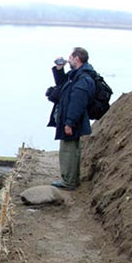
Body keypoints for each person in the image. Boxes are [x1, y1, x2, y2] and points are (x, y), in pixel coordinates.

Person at [49, 47, 96, 190]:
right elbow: (62, 84)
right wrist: (59, 69)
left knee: (68, 150)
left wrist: (69, 123)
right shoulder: (76, 74)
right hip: (71, 119)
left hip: (73, 121)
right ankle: (71, 179)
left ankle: (69, 181)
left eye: (70, 58)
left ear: (77, 59)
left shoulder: (83, 79)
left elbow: (77, 103)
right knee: (71, 149)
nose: (68, 60)